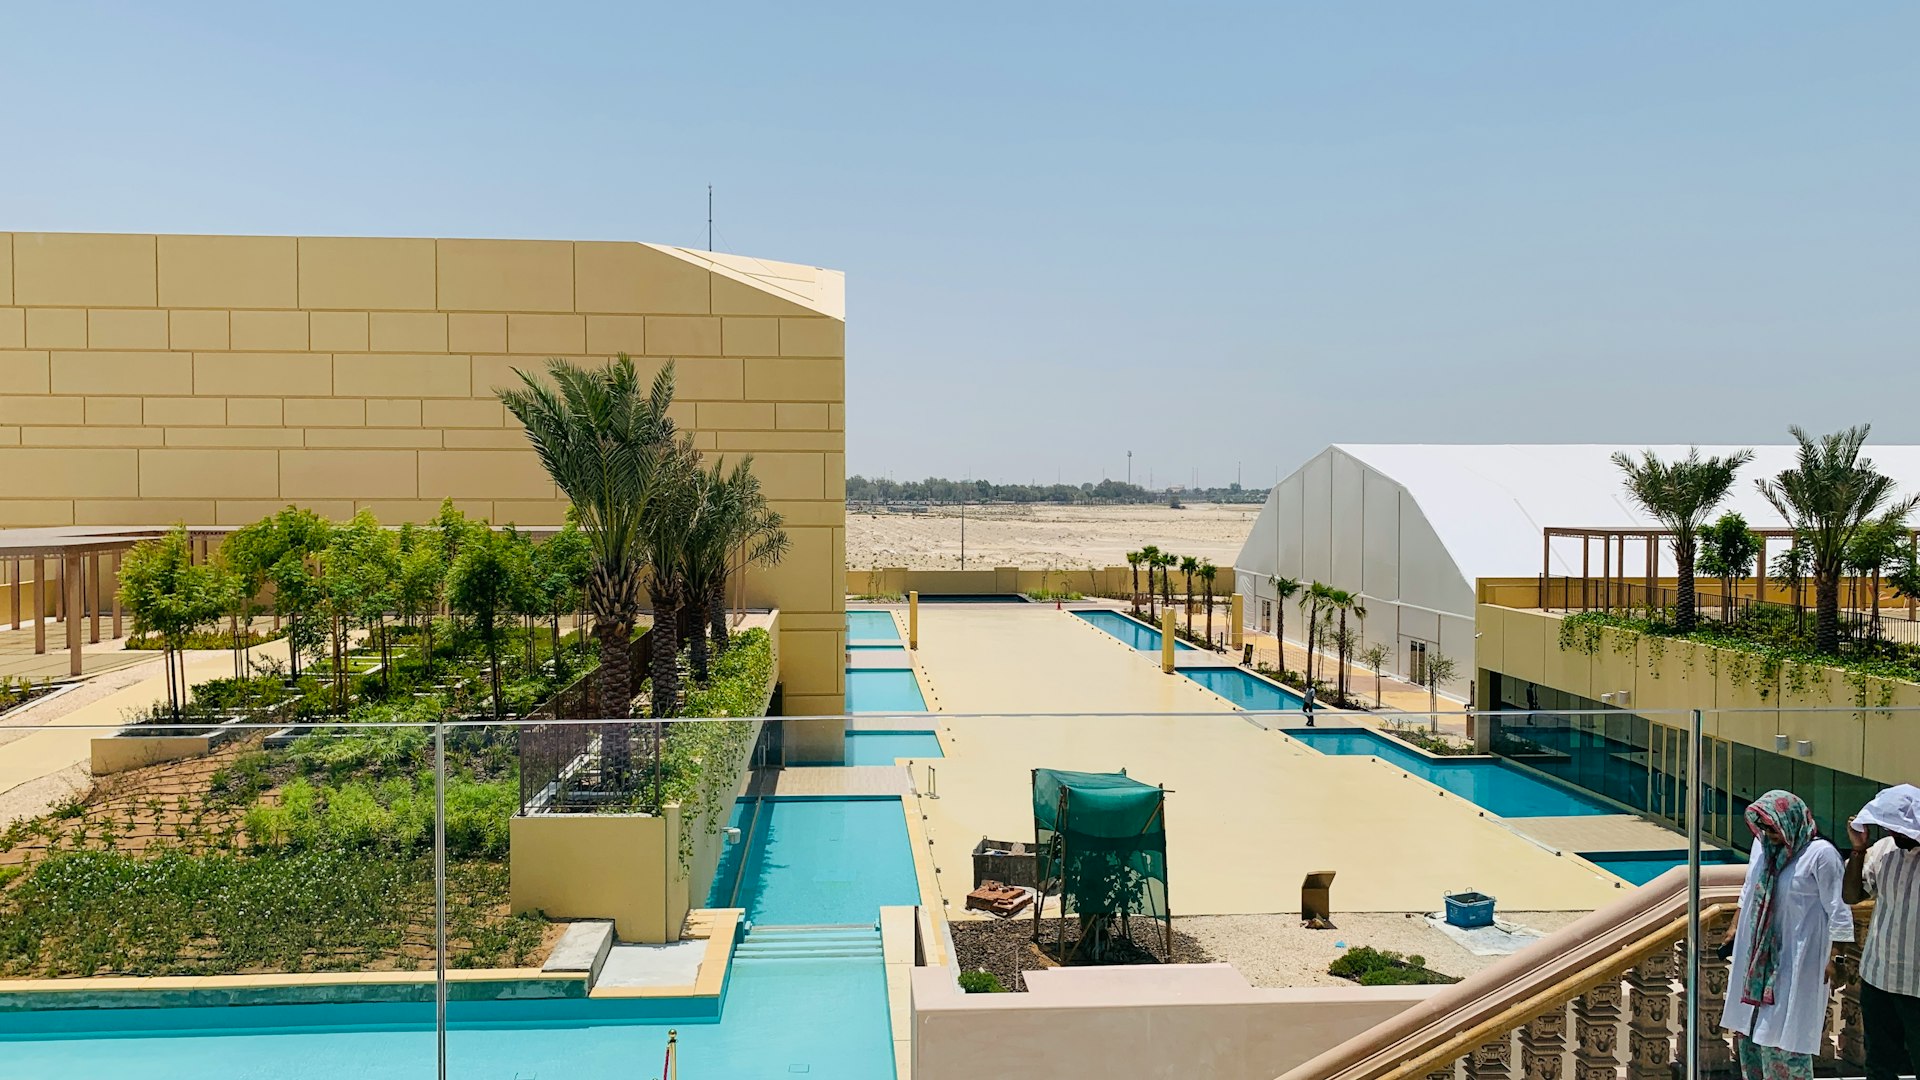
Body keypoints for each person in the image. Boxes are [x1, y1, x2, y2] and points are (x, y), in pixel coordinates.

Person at [1721, 790, 1854, 1080]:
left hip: (1797, 960)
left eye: (1774, 828)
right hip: (1757, 960)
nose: (1769, 834)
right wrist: (1734, 925)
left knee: (1785, 1040)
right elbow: (1749, 890)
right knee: (1751, 1035)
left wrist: (1837, 958)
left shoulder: (1820, 855)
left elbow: (1839, 910)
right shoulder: (1763, 848)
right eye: (1764, 828)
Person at [1844, 784, 1920, 1080]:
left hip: (1916, 985)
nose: (1893, 834)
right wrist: (1858, 849)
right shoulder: (1882, 851)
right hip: (1878, 976)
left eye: (1899, 829)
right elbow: (1851, 895)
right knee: (1879, 1063)